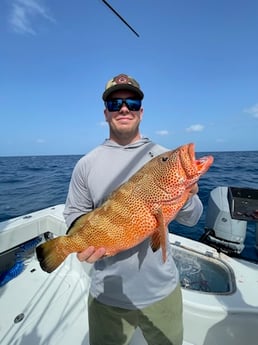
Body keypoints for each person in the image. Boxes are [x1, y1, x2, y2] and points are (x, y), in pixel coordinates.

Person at [63, 73, 203, 345]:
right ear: (106, 113)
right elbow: (73, 214)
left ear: (141, 110)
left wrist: (184, 194)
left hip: (162, 291)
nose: (124, 108)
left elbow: (193, 218)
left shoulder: (165, 155)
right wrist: (81, 242)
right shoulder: (86, 164)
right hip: (106, 296)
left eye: (132, 102)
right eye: (115, 104)